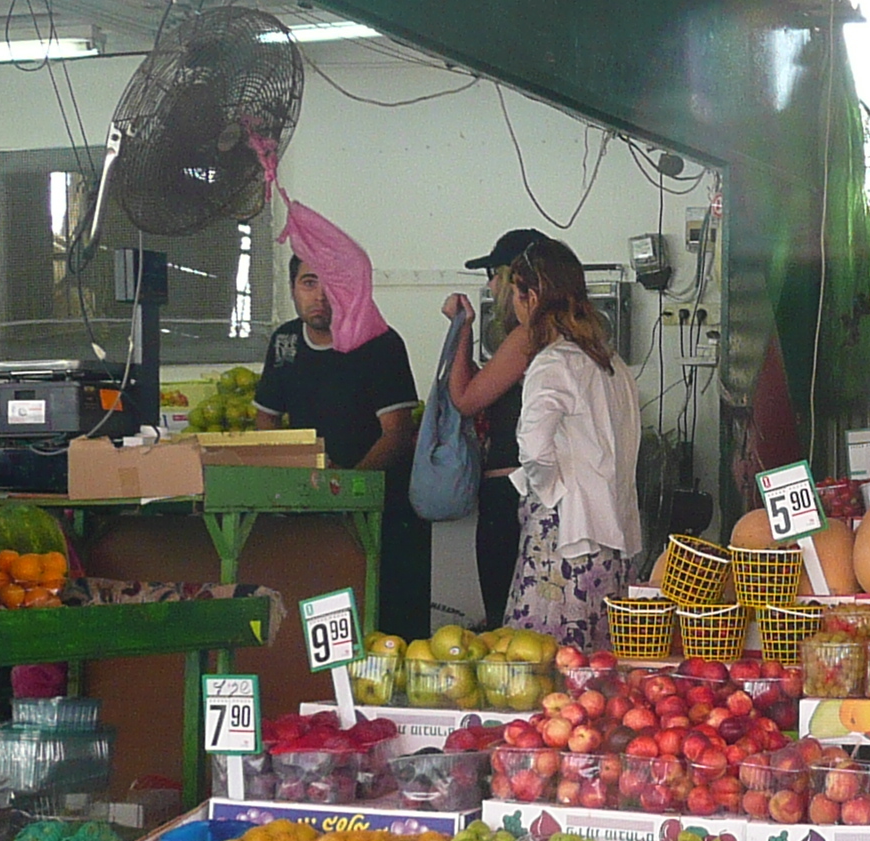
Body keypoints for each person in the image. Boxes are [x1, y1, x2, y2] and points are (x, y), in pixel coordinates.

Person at [450, 237, 638, 651]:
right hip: (614, 532)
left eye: (517, 294)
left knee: (539, 655)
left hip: (565, 532)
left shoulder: (552, 360)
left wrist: (547, 491)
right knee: (597, 656)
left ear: (531, 297)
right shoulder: (612, 363)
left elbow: (533, 447)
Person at [255, 253, 431, 640]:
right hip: (311, 515)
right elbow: (266, 418)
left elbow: (397, 434)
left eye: (332, 283)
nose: (320, 295)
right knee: (319, 626)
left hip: (384, 515)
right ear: (292, 289)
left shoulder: (380, 343)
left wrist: (346, 486)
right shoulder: (285, 342)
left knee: (385, 632)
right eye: (308, 282)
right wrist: (289, 469)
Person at [443, 228, 547, 627]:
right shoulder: (540, 336)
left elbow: (466, 398)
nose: (488, 284)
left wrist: (462, 328)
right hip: (522, 492)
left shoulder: (527, 336)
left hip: (510, 493)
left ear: (514, 277)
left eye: (491, 272)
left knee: (506, 617)